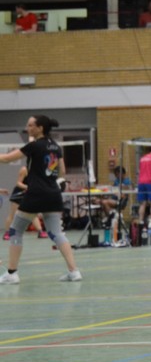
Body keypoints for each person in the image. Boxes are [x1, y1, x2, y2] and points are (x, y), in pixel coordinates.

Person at [0, 115, 83, 283]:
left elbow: (6, 159)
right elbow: (62, 171)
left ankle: (12, 273)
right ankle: (74, 271)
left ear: (40, 128)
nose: (27, 128)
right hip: (53, 194)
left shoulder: (34, 146)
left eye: (31, 125)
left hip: (36, 194)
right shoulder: (56, 147)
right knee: (57, 234)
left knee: (16, 230)